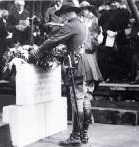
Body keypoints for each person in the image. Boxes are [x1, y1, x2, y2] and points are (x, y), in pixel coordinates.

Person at [29, 1, 102, 146]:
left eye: (62, 15)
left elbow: (53, 40)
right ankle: (84, 135)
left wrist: (37, 51)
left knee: (77, 103)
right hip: (90, 64)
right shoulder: (83, 24)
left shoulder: (71, 24)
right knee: (86, 101)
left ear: (68, 13)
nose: (61, 18)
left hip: (78, 65)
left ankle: (75, 137)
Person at [98, 0, 130, 82]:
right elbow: (101, 25)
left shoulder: (125, 12)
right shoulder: (105, 14)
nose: (113, 4)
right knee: (108, 57)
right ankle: (108, 77)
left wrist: (117, 33)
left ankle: (120, 77)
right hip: (108, 36)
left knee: (121, 56)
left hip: (121, 37)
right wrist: (107, 31)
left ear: (119, 3)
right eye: (111, 2)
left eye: (115, 2)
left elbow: (127, 25)